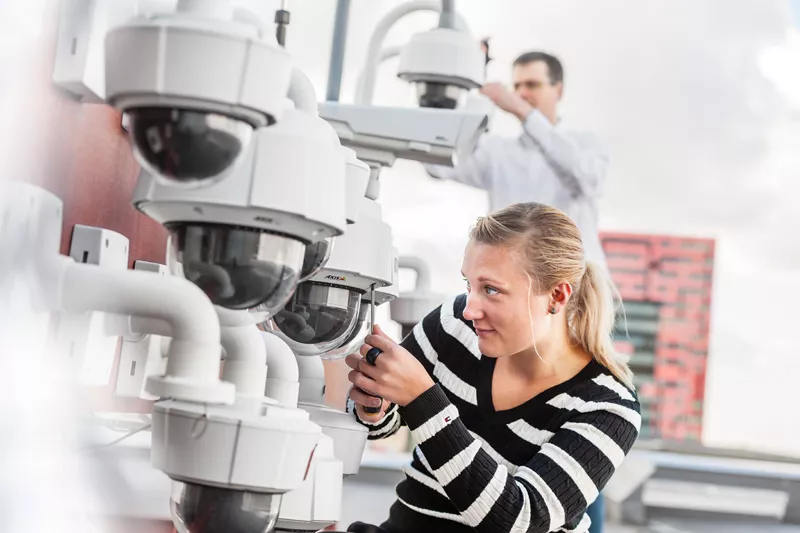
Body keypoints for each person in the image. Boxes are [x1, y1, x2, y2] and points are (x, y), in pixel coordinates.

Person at [344, 203, 640, 533]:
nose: (470, 309)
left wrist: (424, 400)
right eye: (468, 284)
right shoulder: (453, 324)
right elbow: (383, 425)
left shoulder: (608, 407)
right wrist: (374, 404)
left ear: (556, 296)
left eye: (491, 289)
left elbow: (519, 519)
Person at [427, 51, 609, 269]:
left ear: (558, 90)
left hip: (575, 288)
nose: (521, 94)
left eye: (532, 85)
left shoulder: (585, 143)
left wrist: (525, 114)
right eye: (516, 86)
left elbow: (587, 181)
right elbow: (437, 165)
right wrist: (462, 81)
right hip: (513, 283)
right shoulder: (497, 150)